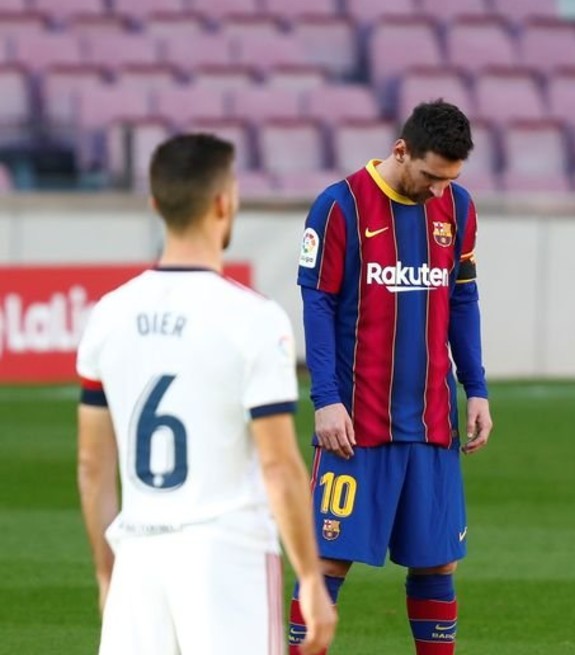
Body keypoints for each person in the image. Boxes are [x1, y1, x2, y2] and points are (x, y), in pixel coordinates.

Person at [75, 133, 336, 655]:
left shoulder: (108, 313)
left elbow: (91, 464)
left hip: (139, 558)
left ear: (156, 205)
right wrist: (310, 577)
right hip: (226, 557)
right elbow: (279, 465)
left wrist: (107, 572)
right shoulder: (254, 318)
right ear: (224, 203)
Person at [290, 100, 492, 655]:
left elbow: (463, 299)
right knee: (328, 559)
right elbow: (317, 304)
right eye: (430, 175)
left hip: (430, 420)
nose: (438, 189)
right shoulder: (340, 205)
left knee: (437, 561)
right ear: (401, 151)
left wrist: (475, 388)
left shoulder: (458, 207)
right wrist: (326, 399)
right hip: (356, 423)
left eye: (450, 179)